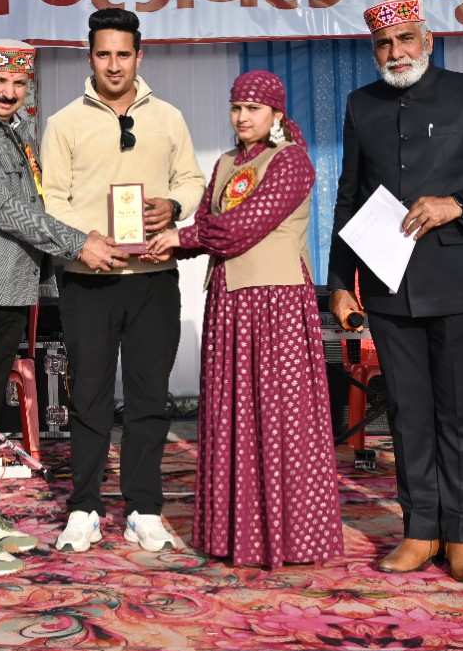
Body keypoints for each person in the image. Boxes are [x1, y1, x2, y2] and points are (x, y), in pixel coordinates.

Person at [327, 0, 463, 583]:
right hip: (386, 284)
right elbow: (349, 197)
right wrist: (340, 282)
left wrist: (456, 204)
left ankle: (462, 534)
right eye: (384, 44)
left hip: (456, 281)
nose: (396, 52)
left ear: (428, 41)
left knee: (460, 412)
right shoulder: (361, 103)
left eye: (406, 39)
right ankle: (420, 530)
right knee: (408, 413)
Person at [0, 39, 127, 576]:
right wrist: (79, 242)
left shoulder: (17, 135)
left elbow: (39, 200)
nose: (8, 92)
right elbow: (6, 209)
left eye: (19, 83)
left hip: (8, 290)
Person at [145, 70, 343, 569]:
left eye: (253, 108)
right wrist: (174, 239)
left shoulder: (291, 161)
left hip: (276, 302)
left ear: (276, 113)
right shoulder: (226, 163)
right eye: (236, 107)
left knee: (281, 417)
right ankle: (239, 536)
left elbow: (241, 226)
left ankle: (292, 537)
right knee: (232, 414)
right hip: (230, 303)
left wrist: (182, 237)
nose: (242, 117)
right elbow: (210, 225)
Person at [41, 8, 204, 554]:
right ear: (89, 57)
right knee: (88, 397)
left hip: (153, 277)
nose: (114, 65)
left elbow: (192, 180)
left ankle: (144, 508)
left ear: (140, 55)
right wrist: (83, 239)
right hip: (88, 279)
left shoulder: (169, 118)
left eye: (123, 54)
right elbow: (51, 199)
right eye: (104, 54)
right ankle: (84, 507)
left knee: (148, 398)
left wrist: (173, 205)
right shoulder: (64, 122)